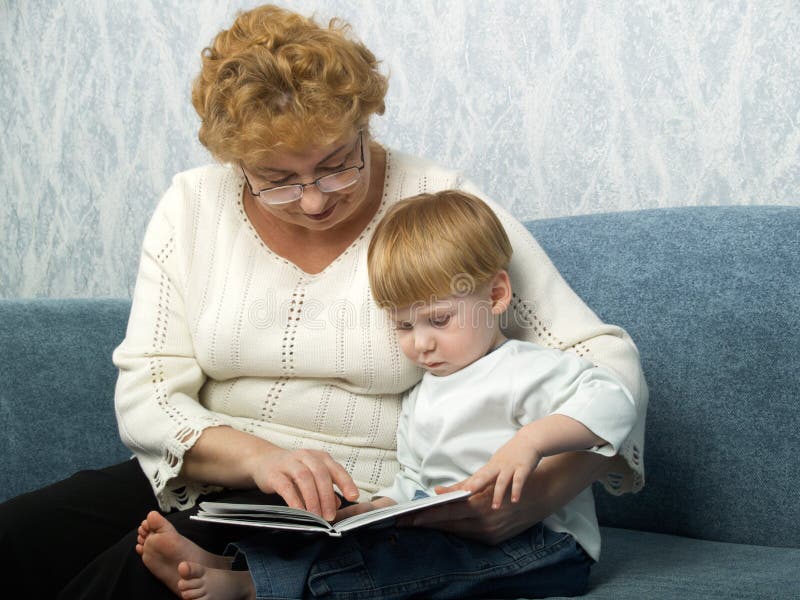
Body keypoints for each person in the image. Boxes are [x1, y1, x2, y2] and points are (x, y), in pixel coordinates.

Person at [0, 5, 647, 599]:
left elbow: (606, 365)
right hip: (212, 475)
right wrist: (259, 457)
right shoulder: (191, 206)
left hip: (346, 499)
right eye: (277, 180)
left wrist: (536, 495)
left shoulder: (435, 205)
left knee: (136, 582)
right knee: (19, 538)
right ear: (236, 160)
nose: (313, 200)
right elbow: (148, 393)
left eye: (340, 164)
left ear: (365, 123)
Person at [136, 189, 639, 599]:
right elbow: (416, 480)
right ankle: (235, 564)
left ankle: (253, 590)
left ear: (496, 295)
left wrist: (531, 442)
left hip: (544, 548)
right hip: (449, 533)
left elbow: (614, 400)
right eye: (403, 325)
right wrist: (378, 508)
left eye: (439, 320)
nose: (420, 343)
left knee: (411, 564)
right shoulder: (425, 392)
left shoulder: (528, 368)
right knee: (368, 541)